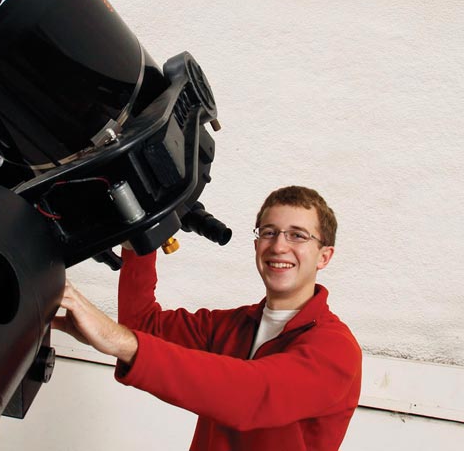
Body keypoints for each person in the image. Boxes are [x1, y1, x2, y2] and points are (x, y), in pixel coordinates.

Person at [53, 185, 362, 450]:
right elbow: (142, 326)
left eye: (298, 236)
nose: (279, 246)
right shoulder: (232, 326)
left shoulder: (335, 349)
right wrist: (140, 233)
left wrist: (121, 342)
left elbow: (251, 395)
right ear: (257, 245)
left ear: (325, 256)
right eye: (269, 233)